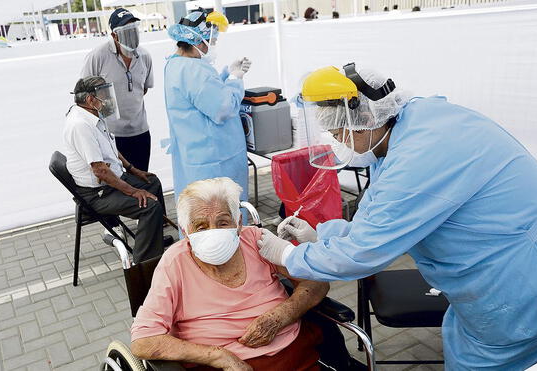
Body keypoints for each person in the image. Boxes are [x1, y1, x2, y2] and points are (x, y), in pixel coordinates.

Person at [258, 63, 537, 369]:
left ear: (363, 118)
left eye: (340, 132)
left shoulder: (417, 157)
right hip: (533, 258)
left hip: (521, 288)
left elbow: (363, 252)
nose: (340, 142)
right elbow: (376, 219)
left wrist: (286, 254)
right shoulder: (410, 124)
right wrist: (320, 235)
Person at [130, 177, 338, 371]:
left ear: (238, 223)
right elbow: (143, 341)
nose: (213, 232)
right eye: (201, 227)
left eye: (222, 222)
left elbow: (318, 282)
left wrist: (282, 316)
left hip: (292, 354)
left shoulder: (258, 241)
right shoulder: (174, 262)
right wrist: (218, 356)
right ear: (185, 231)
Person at [63, 76, 166, 263]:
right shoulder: (80, 125)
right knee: (150, 207)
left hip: (112, 181)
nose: (109, 99)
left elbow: (110, 149)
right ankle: (144, 264)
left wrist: (133, 169)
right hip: (98, 193)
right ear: (90, 100)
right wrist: (134, 191)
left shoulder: (94, 115)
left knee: (152, 183)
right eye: (104, 94)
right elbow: (100, 171)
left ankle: (153, 241)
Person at [164, 11, 252, 221]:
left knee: (199, 217)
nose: (211, 45)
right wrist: (235, 79)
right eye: (210, 40)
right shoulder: (194, 70)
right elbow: (222, 107)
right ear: (197, 40)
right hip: (214, 158)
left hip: (194, 156)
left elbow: (201, 96)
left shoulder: (176, 64)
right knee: (221, 215)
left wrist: (225, 74)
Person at [81, 8, 154, 172]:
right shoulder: (98, 56)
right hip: (111, 135)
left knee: (142, 178)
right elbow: (83, 95)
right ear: (114, 35)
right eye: (126, 31)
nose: (132, 35)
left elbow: (143, 89)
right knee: (121, 186)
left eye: (134, 29)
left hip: (140, 132)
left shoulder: (145, 57)